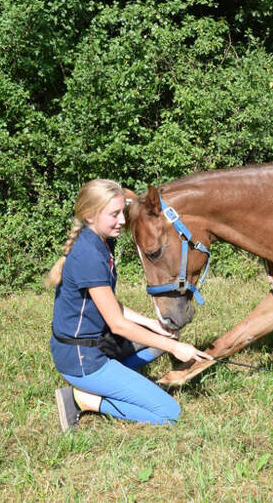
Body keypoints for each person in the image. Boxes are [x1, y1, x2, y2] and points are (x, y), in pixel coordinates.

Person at [45, 178, 212, 432]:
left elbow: (110, 305)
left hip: (97, 345)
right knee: (169, 413)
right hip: (83, 359)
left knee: (164, 334)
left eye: (121, 213)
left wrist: (154, 326)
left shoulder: (102, 240)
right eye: (114, 215)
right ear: (90, 215)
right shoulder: (88, 255)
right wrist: (175, 348)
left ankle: (113, 379)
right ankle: (83, 398)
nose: (122, 221)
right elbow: (117, 323)